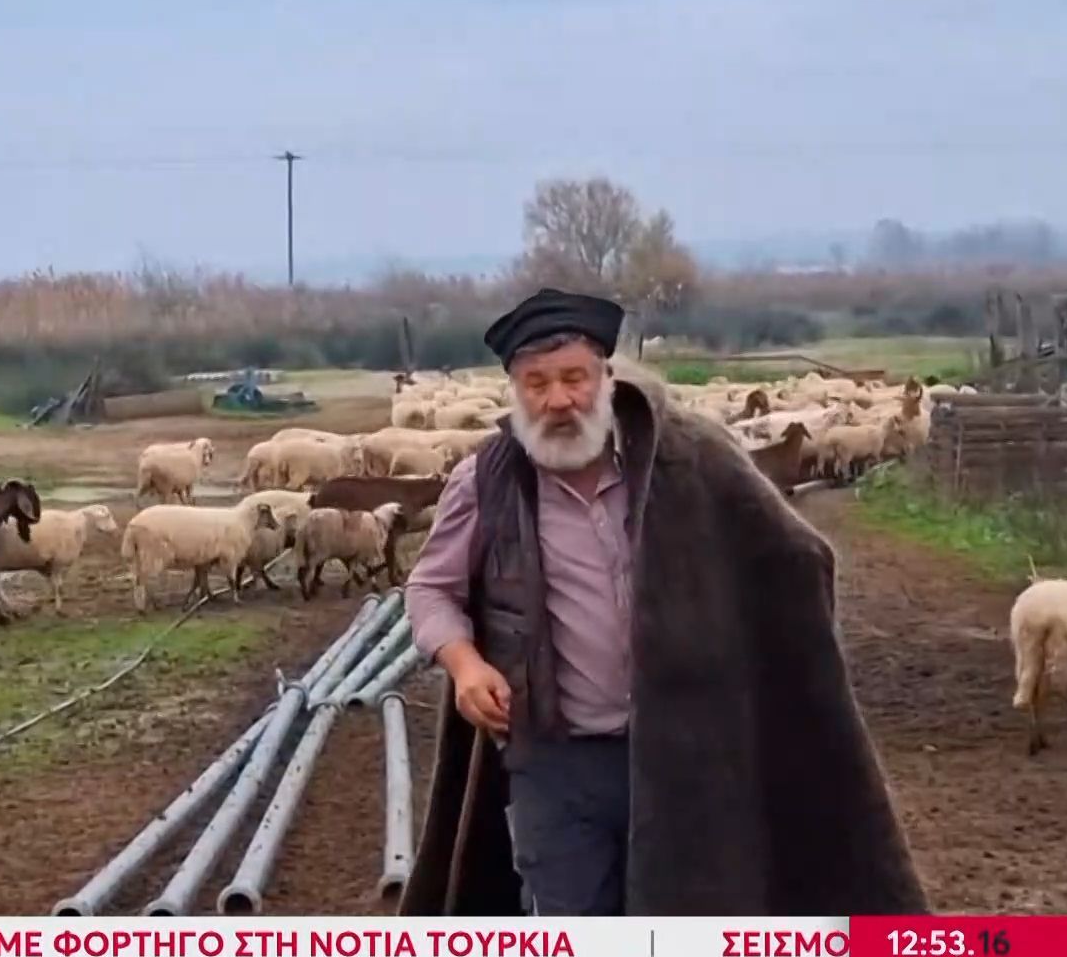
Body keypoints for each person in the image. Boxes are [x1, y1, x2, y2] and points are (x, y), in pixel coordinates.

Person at [396, 287, 927, 917]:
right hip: (555, 764)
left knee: (687, 928)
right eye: (536, 383)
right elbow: (430, 588)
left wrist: (773, 664)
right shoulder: (486, 481)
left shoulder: (689, 456)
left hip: (684, 758)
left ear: (606, 377)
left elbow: (797, 557)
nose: (558, 400)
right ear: (514, 390)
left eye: (574, 378)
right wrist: (464, 664)